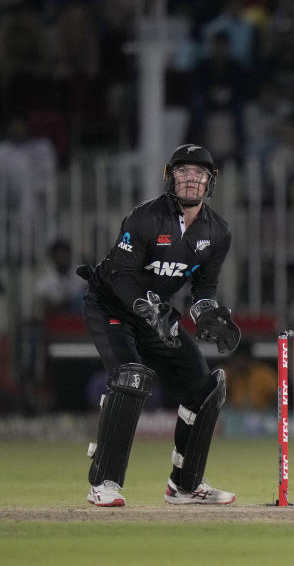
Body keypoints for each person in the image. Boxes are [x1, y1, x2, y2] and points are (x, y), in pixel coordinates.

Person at [76, 144, 241, 507]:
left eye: (198, 173)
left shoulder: (218, 232)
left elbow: (203, 288)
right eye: (183, 171)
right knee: (131, 376)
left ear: (210, 182)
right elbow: (121, 276)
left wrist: (207, 314)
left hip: (157, 314)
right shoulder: (145, 218)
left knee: (206, 387)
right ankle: (102, 483)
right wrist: (146, 308)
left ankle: (184, 486)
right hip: (111, 307)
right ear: (171, 177)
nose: (190, 179)